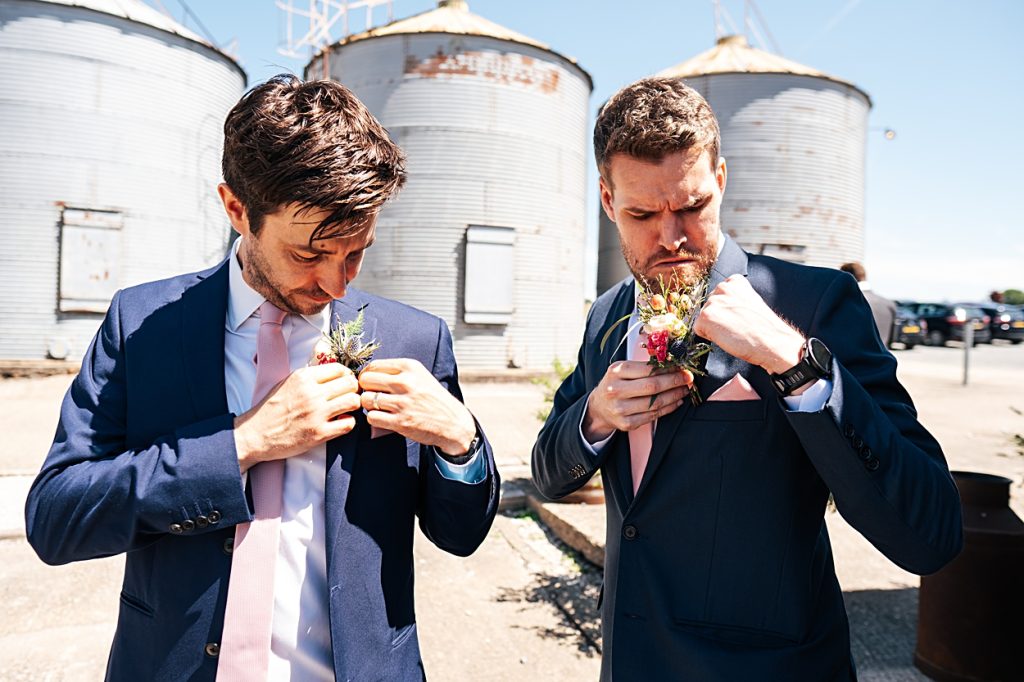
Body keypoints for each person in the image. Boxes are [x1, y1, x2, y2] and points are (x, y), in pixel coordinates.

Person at [26, 75, 499, 681]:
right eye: (309, 254)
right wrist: (241, 443)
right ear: (236, 209)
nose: (337, 284)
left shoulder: (415, 339)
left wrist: (461, 440)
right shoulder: (140, 326)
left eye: (356, 251)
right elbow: (55, 519)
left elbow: (460, 535)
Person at [532, 77, 962, 681]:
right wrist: (595, 417)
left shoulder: (815, 303)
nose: (671, 237)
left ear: (722, 181)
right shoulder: (606, 317)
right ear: (607, 201)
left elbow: (931, 533)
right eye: (641, 213)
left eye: (692, 206)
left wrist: (793, 362)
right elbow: (550, 473)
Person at [840, 261, 898, 346]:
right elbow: (893, 339)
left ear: (846, 277)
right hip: (882, 357)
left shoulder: (845, 301)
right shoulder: (889, 304)